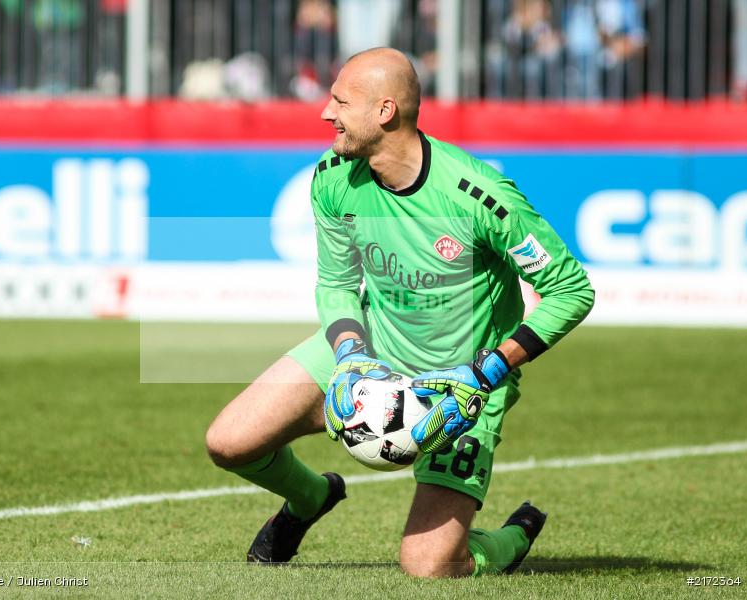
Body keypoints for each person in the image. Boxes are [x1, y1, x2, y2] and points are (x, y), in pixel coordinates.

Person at [205, 47, 594, 577]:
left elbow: (570, 289)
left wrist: (488, 370)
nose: (325, 112)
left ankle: (510, 539)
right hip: (368, 350)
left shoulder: (479, 196)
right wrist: (348, 354)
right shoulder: (333, 177)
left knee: (430, 566)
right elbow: (337, 283)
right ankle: (310, 498)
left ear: (384, 111)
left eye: (340, 101)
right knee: (229, 443)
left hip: (463, 385)